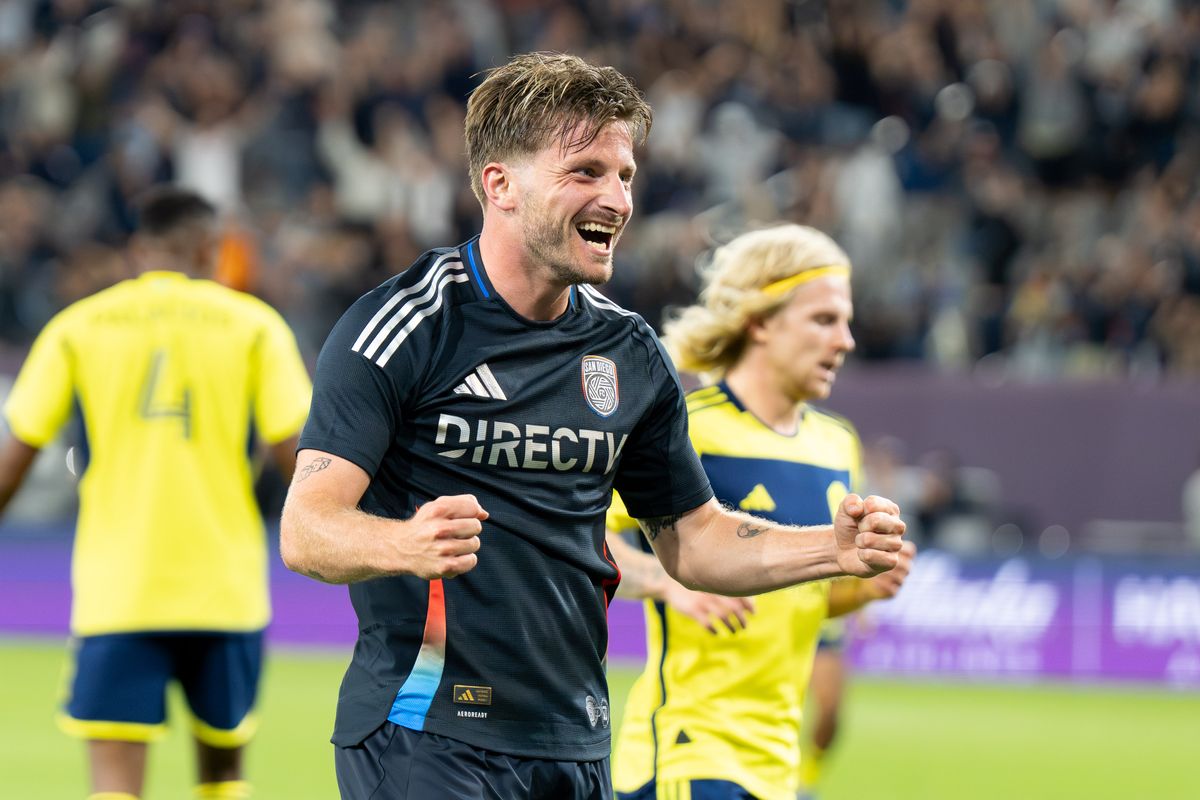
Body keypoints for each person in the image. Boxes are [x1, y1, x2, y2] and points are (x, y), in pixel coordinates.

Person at [279, 53, 907, 800]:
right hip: (425, 729)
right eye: (585, 172)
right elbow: (306, 529)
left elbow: (695, 540)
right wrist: (403, 543)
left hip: (574, 739)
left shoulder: (629, 353)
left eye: (625, 175)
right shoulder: (405, 327)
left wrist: (831, 549)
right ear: (500, 185)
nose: (616, 198)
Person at [0, 187, 312, 800]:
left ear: (138, 250)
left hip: (120, 590)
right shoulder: (253, 325)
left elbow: (13, 462)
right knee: (223, 773)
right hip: (225, 590)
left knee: (116, 784)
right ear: (209, 249)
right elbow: (299, 454)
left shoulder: (79, 326)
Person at [605, 224, 916, 800]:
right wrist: (670, 583)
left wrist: (860, 587)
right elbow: (585, 539)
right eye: (824, 320)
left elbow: (795, 600)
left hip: (777, 764)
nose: (845, 340)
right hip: (689, 751)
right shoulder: (689, 429)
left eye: (846, 321)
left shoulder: (837, 444)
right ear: (760, 321)